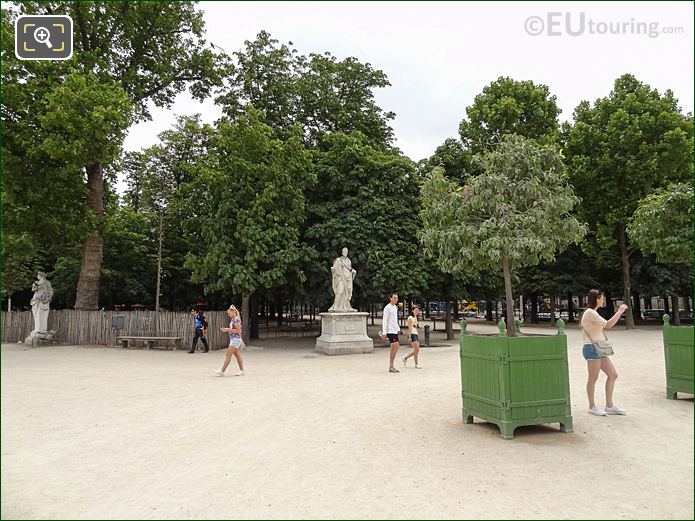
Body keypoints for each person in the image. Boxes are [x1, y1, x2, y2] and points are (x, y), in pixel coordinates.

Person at [580, 289, 629, 416]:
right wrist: (620, 311)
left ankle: (609, 405)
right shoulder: (590, 312)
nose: (603, 300)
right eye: (601, 298)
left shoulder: (593, 313)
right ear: (596, 299)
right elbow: (608, 325)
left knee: (613, 375)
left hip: (599, 348)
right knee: (593, 378)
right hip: (592, 348)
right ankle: (592, 406)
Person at [215, 305, 245, 376]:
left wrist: (227, 330)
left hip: (235, 339)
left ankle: (222, 371)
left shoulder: (236, 319)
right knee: (237, 355)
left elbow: (238, 330)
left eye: (229, 313)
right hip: (234, 339)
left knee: (228, 354)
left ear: (233, 312)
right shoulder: (233, 319)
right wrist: (227, 329)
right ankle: (242, 370)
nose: (228, 315)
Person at [329, 247, 357, 311]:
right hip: (341, 278)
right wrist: (334, 270)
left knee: (347, 293)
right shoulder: (338, 260)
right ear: (342, 252)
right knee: (340, 291)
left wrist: (353, 271)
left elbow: (350, 269)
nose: (345, 253)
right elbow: (334, 269)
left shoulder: (348, 260)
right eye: (344, 251)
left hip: (348, 278)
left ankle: (346, 305)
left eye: (346, 252)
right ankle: (336, 305)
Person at [382, 293, 401, 373]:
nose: (395, 300)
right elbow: (384, 320)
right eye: (394, 298)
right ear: (390, 298)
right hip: (389, 330)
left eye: (396, 298)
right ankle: (391, 365)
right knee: (396, 345)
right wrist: (384, 332)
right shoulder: (387, 308)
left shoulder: (395, 307)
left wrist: (398, 328)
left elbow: (395, 319)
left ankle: (391, 365)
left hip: (394, 330)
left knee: (394, 347)